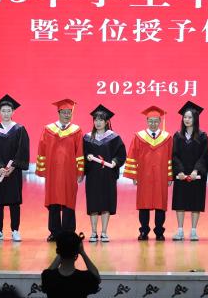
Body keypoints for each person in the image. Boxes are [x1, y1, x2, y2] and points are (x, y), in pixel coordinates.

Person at [36, 98, 85, 240]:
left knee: (69, 199)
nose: (67, 115)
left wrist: (80, 172)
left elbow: (79, 152)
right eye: (64, 112)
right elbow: (42, 149)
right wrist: (42, 169)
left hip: (70, 172)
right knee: (53, 201)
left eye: (69, 112)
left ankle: (68, 231)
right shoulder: (48, 130)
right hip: (52, 171)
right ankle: (55, 232)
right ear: (58, 113)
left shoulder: (76, 131)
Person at [0, 94, 30, 242]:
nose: (6, 113)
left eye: (8, 110)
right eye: (3, 111)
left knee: (14, 202)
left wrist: (13, 167)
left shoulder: (20, 129)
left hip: (13, 172)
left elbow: (22, 150)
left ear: (13, 112)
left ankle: (15, 230)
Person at [40, 231, 101, 298]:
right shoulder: (83, 279)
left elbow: (48, 272)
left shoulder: (49, 277)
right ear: (76, 252)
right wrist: (83, 252)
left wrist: (62, 250)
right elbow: (97, 277)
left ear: (58, 251)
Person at [125, 105, 173, 240]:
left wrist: (169, 176)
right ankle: (144, 231)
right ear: (146, 121)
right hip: (144, 175)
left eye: (156, 121)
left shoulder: (167, 137)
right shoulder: (139, 137)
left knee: (160, 204)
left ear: (160, 121)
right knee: (143, 204)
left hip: (161, 175)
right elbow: (132, 155)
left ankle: (159, 232)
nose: (153, 124)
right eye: (150, 121)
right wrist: (134, 175)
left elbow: (170, 158)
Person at [82, 104, 125, 243]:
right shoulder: (87, 138)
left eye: (101, 120)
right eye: (96, 119)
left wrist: (114, 161)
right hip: (93, 175)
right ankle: (94, 232)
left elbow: (121, 154)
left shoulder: (114, 138)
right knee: (93, 203)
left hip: (108, 175)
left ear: (107, 122)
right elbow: (82, 154)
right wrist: (86, 158)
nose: (98, 122)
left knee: (106, 203)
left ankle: (104, 232)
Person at [171, 100, 208, 241]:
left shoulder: (202, 136)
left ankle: (193, 230)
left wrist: (196, 170)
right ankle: (180, 230)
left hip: (196, 175)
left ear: (195, 119)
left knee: (195, 202)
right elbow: (174, 155)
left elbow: (204, 155)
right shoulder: (177, 136)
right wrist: (179, 171)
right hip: (181, 175)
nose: (187, 120)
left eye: (190, 117)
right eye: (185, 117)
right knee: (180, 202)